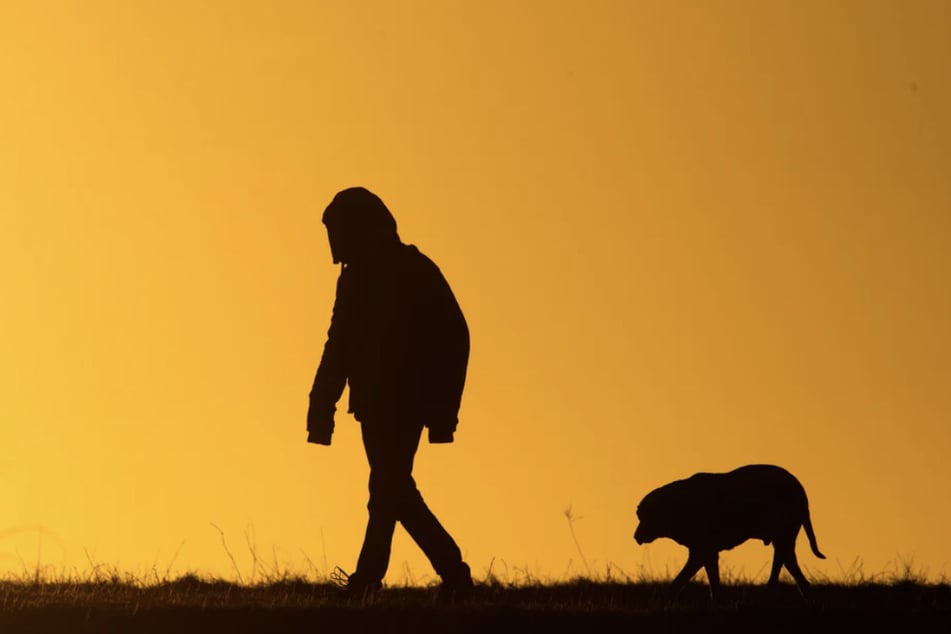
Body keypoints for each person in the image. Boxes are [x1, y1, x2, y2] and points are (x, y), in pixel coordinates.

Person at [306, 186, 473, 601]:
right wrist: (320, 406)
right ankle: (449, 571)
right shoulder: (355, 279)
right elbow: (340, 343)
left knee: (387, 489)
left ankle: (374, 579)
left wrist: (442, 411)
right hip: (372, 405)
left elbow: (455, 338)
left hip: (407, 403)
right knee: (392, 490)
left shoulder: (414, 271)